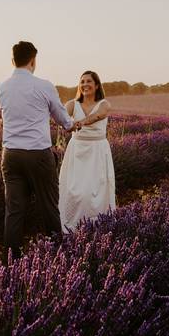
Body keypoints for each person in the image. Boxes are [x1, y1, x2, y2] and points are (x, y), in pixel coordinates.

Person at [0, 41, 77, 259]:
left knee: (14, 210)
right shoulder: (44, 85)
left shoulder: (2, 87)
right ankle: (59, 256)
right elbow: (62, 118)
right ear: (33, 60)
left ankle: (11, 261)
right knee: (48, 206)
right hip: (38, 155)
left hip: (10, 155)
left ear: (12, 60)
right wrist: (71, 125)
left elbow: (6, 118)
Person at [59, 70, 116, 230]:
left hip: (97, 151)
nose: (85, 84)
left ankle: (97, 227)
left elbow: (98, 115)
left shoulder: (104, 104)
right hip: (77, 151)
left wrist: (79, 123)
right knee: (74, 191)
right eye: (82, 81)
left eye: (89, 81)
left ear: (96, 85)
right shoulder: (72, 104)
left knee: (95, 191)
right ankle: (72, 226)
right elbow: (60, 116)